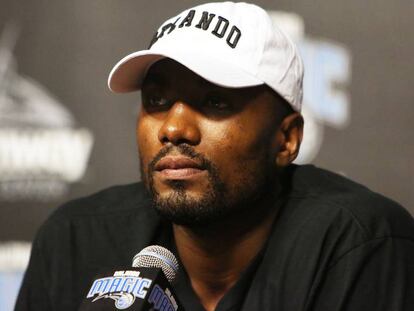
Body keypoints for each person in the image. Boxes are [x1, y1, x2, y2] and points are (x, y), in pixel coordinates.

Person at [15, 2, 414, 311]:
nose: (173, 128)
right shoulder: (77, 241)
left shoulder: (358, 243)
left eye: (216, 101)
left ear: (286, 139)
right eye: (156, 100)